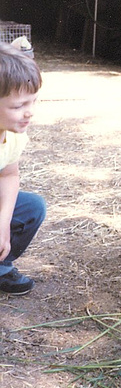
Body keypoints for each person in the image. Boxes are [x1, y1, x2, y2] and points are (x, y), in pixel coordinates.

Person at [0, 42, 46, 295]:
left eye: (32, 102)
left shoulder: (13, 136)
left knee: (32, 207)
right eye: (18, 106)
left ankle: (1, 268)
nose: (29, 113)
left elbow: (8, 174)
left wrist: (3, 224)